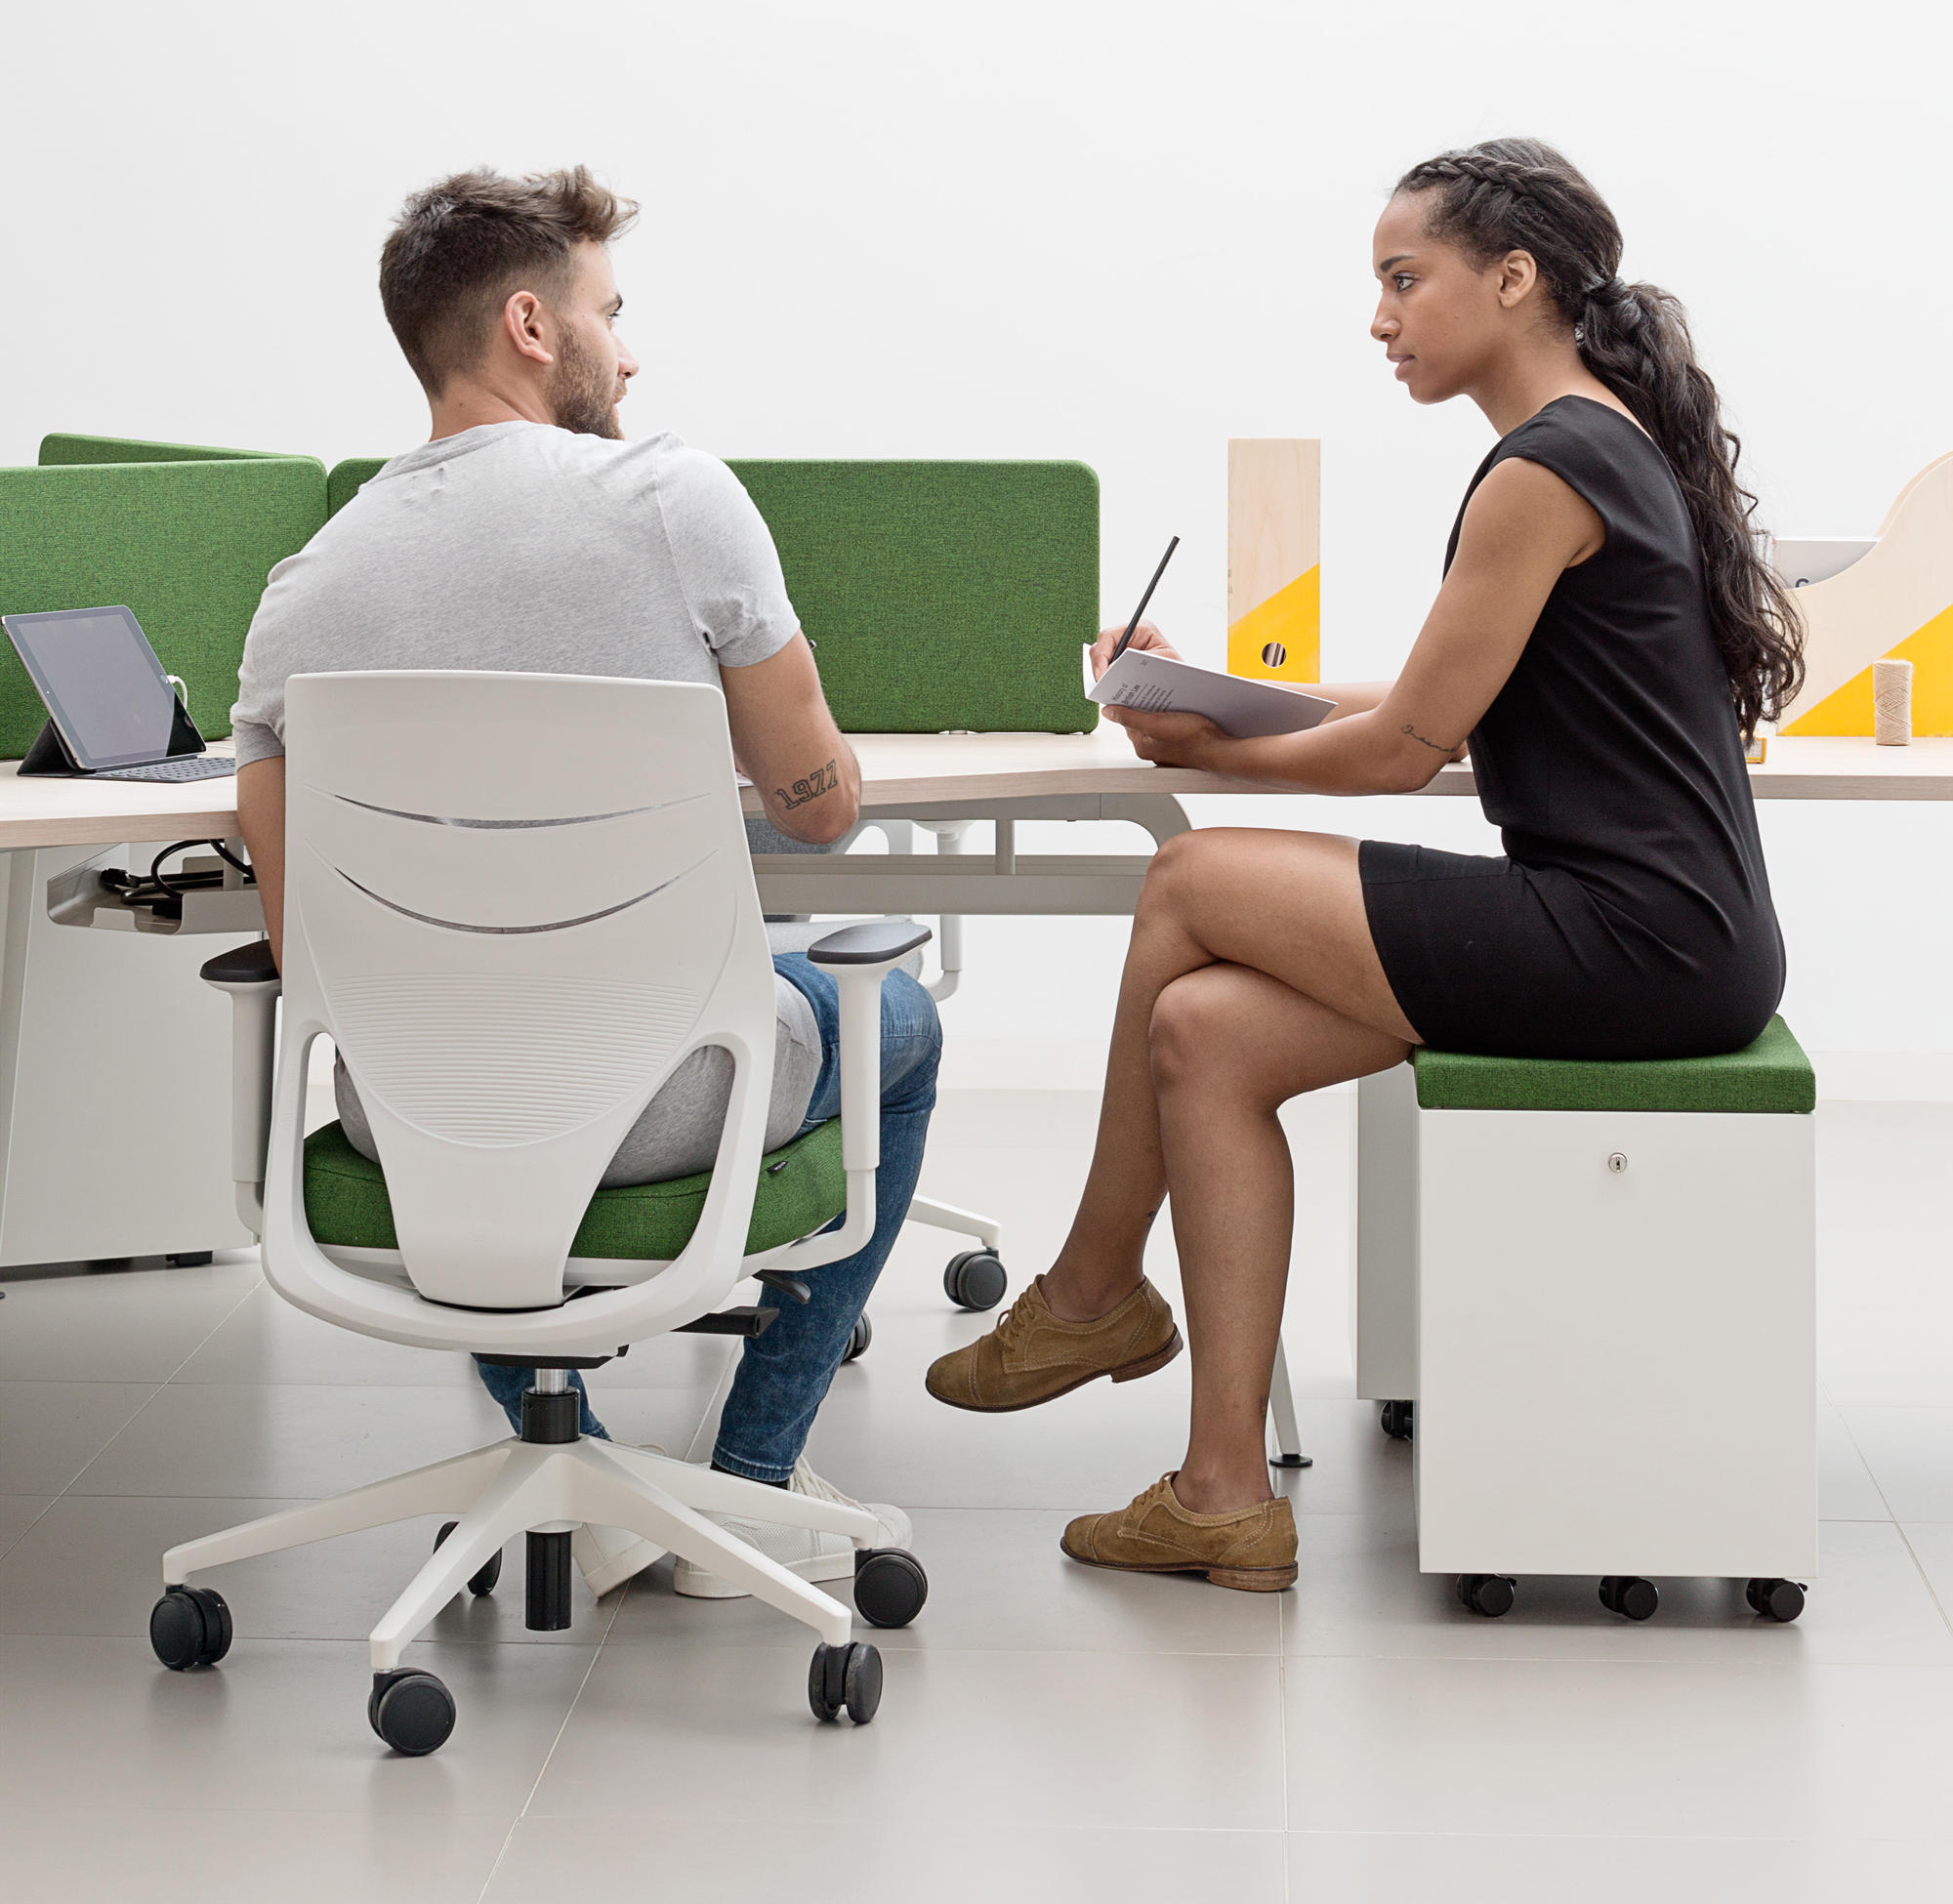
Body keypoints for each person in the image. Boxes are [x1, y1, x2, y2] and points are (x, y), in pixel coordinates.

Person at [927, 137, 1802, 1594]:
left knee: (1189, 881)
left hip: (1635, 941)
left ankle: (1090, 1287)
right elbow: (1425, 698)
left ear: (1513, 279)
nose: (1380, 318)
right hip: (1659, 936)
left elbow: (1405, 749)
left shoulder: (1546, 468)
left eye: (1405, 280)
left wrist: (1211, 756)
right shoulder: (1594, 443)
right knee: (1205, 1033)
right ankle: (1222, 1498)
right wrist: (1216, 700)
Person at [231, 164, 938, 1600]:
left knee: (491, 1063)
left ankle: (591, 1482)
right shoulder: (673, 498)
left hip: (413, 1120)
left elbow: (304, 938)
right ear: (532, 324)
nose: (630, 351)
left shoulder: (304, 591)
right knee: (900, 1023)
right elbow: (820, 814)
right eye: (611, 313)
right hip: (670, 1100)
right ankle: (750, 1485)